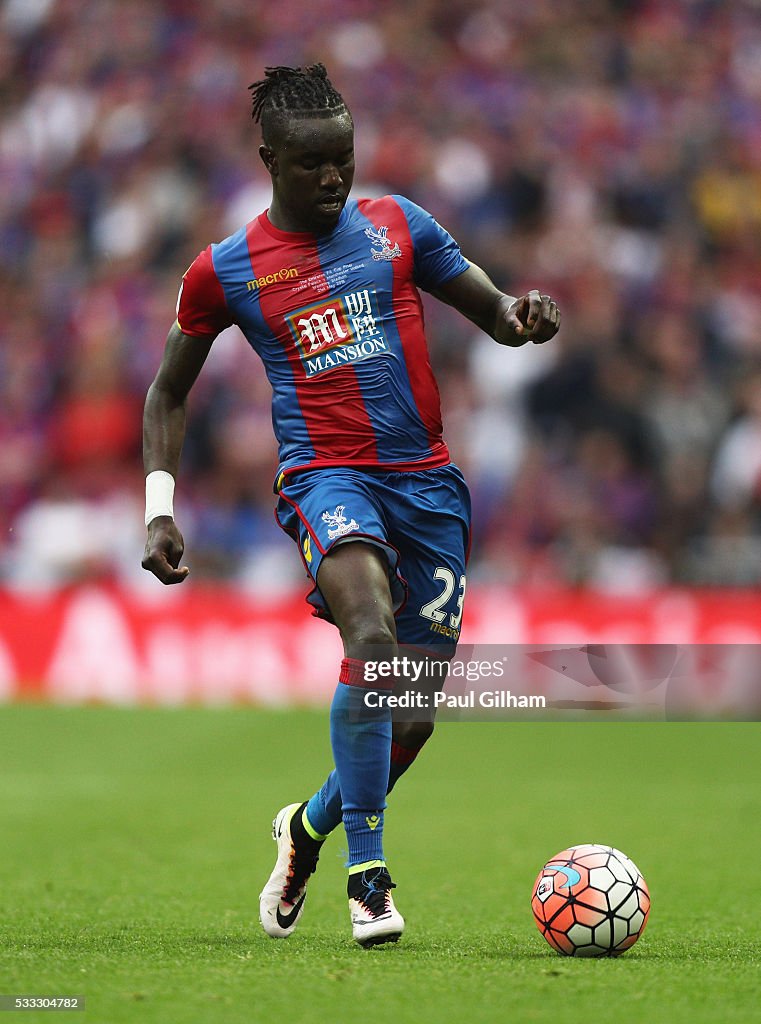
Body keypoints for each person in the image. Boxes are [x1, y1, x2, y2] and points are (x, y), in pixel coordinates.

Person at [142, 63, 561, 948]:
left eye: (344, 158)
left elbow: (491, 311)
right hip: (324, 480)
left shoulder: (398, 224)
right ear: (269, 160)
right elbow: (167, 393)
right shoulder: (225, 270)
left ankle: (306, 829)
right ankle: (368, 879)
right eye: (313, 164)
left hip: (429, 487)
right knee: (369, 637)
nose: (334, 177)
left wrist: (521, 315)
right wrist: (158, 508)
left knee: (409, 711)